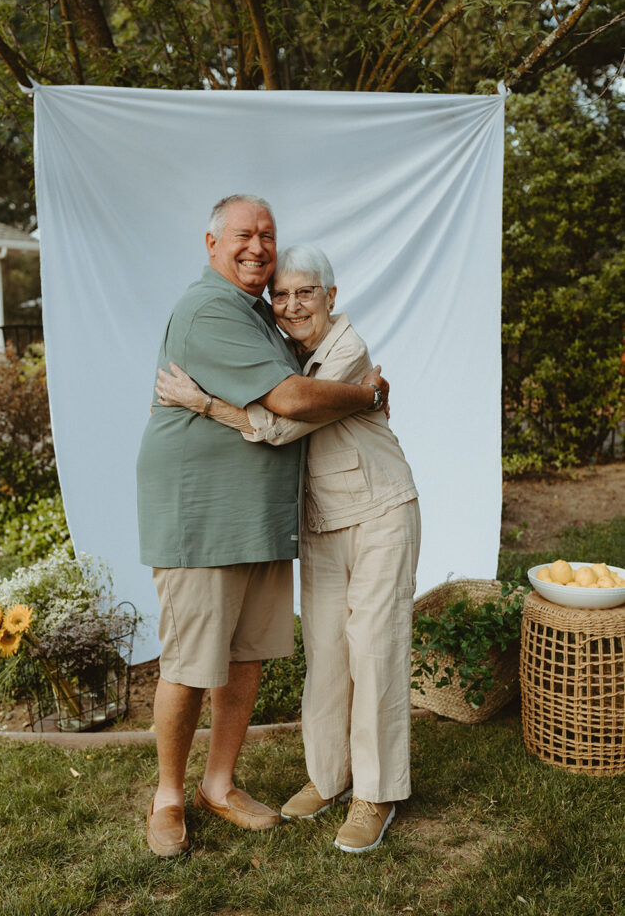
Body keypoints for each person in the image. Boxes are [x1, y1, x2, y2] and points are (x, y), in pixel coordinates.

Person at [137, 197, 389, 857]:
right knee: (190, 665)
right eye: (243, 235)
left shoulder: (263, 314)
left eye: (267, 236)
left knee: (245, 660)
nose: (256, 247)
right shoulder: (209, 308)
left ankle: (217, 785)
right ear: (211, 241)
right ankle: (167, 796)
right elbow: (289, 401)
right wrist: (370, 395)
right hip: (204, 516)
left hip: (258, 517)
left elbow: (295, 395)